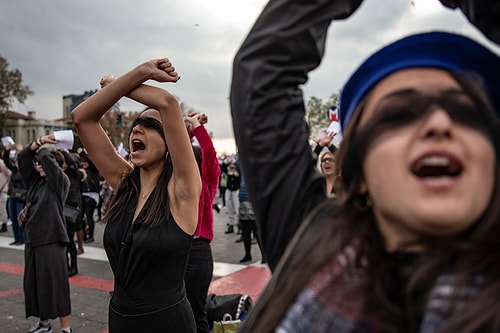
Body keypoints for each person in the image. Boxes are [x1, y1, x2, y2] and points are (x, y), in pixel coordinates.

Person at [231, 1, 500, 330]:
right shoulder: (309, 235)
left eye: (466, 113)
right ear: (358, 175)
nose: (440, 122)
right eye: (400, 113)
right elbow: (263, 74)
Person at [71, 58, 201, 332]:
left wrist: (134, 77)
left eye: (151, 125)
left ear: (171, 144)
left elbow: (167, 103)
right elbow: (82, 118)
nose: (137, 128)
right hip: (119, 320)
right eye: (136, 124)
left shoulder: (183, 191)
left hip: (167, 324)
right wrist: (120, 85)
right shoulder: (124, 183)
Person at [18, 136, 72, 333]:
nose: (38, 166)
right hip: (33, 240)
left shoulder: (60, 183)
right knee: (37, 285)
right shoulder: (35, 182)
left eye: (42, 164)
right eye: (37, 164)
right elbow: (23, 157)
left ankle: (66, 328)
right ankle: (45, 324)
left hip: (52, 241)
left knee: (56, 286)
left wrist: (44, 149)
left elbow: (49, 163)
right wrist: (37, 142)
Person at [184, 112, 221, 333]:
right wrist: (187, 131)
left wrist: (197, 127)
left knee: (196, 312)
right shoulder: (176, 182)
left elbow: (209, 155)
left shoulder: (206, 183)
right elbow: (173, 150)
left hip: (197, 252)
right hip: (175, 249)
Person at [61, 150, 83, 277]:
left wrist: (64, 151)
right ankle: (65, 265)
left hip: (72, 210)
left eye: (65, 163)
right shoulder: (59, 174)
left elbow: (72, 164)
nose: (64, 165)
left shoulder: (74, 174)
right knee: (63, 241)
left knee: (69, 241)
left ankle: (73, 266)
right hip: (61, 209)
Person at [3, 144, 27, 245]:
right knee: (13, 217)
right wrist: (7, 151)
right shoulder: (14, 170)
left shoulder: (26, 171)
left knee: (19, 218)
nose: (17, 164)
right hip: (12, 195)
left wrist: (20, 152)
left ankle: (22, 238)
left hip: (21, 197)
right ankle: (16, 238)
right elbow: (6, 162)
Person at [223, 161, 240, 234]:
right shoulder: (227, 173)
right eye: (230, 165)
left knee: (237, 208)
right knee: (229, 208)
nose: (232, 167)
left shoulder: (238, 173)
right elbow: (223, 165)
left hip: (236, 191)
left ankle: (239, 225)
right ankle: (231, 225)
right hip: (228, 190)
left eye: (233, 165)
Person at [0, 147, 12, 233]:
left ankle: (4, 224)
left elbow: (9, 174)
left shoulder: (2, 164)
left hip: (2, 189)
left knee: (2, 208)